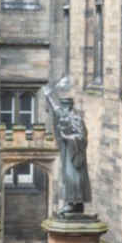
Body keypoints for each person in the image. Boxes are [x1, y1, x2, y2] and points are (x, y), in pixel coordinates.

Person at [43, 87, 92, 215]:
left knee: (74, 177)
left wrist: (67, 138)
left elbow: (82, 136)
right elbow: (55, 110)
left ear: (69, 107)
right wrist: (48, 96)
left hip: (75, 153)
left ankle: (74, 203)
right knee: (68, 177)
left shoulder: (76, 119)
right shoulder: (63, 116)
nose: (62, 109)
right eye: (62, 106)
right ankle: (74, 204)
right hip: (67, 151)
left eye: (64, 107)